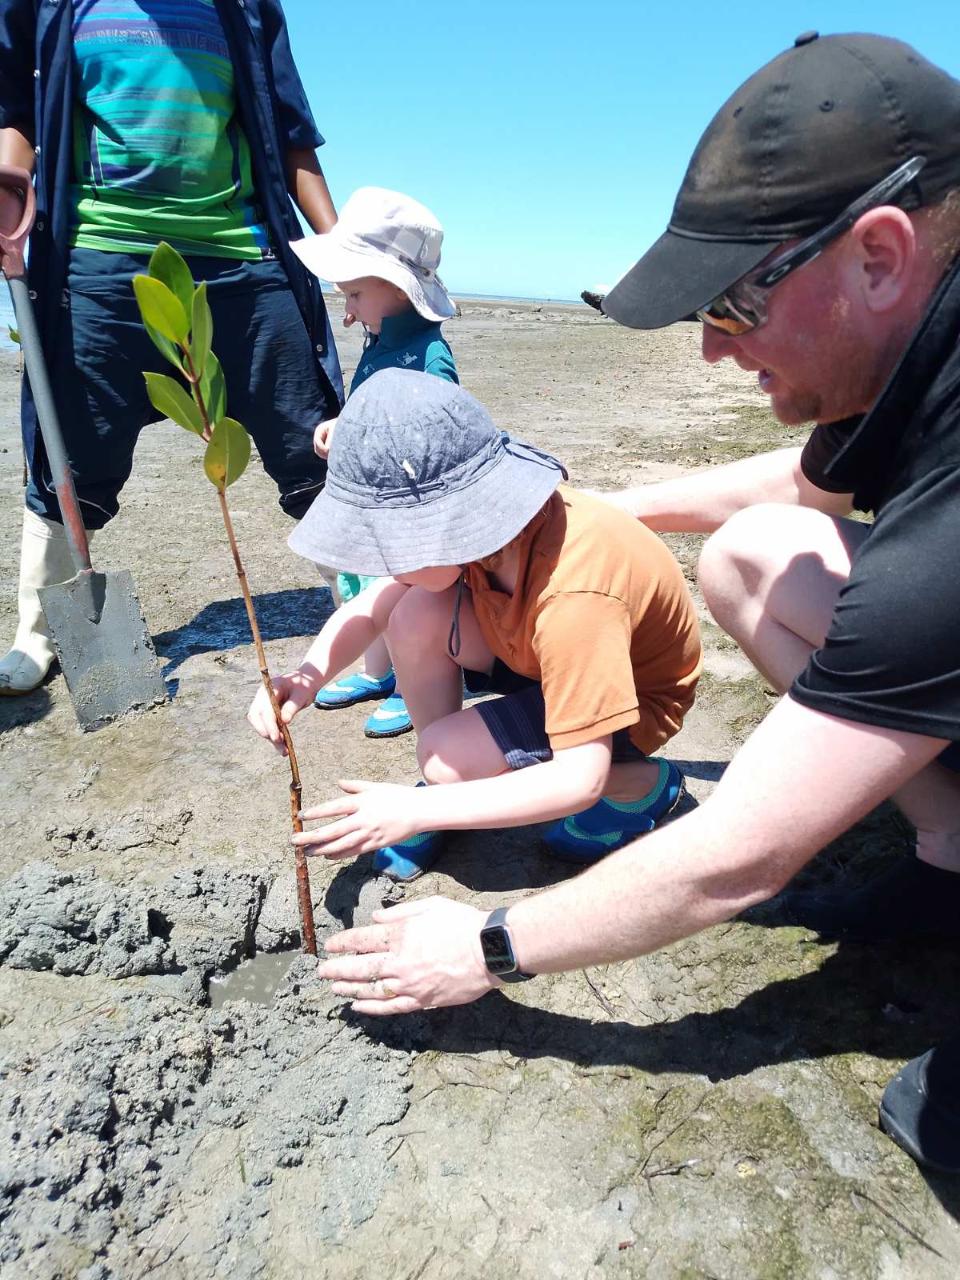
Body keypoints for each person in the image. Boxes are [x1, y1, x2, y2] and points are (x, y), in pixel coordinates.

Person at [310, 33, 960, 1177]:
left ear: (879, 253)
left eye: (736, 301)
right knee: (754, 554)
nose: (710, 351)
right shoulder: (914, 355)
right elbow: (797, 486)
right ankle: (951, 848)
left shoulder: (939, 554)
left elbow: (740, 854)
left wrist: (492, 945)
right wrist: (602, 504)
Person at [0, 0, 343, 695]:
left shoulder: (243, 7)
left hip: (241, 256)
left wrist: (341, 247)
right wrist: (9, 185)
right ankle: (38, 630)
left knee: (310, 436)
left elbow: (288, 127)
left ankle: (363, 603)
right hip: (96, 256)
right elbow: (16, 102)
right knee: (70, 448)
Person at [248, 368, 700, 881]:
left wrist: (416, 811)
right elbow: (371, 609)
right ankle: (455, 785)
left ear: (448, 522)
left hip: (631, 698)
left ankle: (643, 784)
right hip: (539, 654)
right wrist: (304, 679)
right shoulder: (493, 536)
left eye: (391, 544)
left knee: (446, 758)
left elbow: (580, 778)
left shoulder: (574, 592)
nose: (386, 566)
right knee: (413, 611)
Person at [291, 187, 458, 740]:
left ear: (397, 288)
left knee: (400, 594)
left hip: (407, 502)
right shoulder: (377, 337)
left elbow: (434, 429)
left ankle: (416, 688)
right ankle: (376, 672)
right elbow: (367, 404)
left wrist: (357, 431)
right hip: (367, 494)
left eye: (355, 293)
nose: (348, 308)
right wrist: (343, 427)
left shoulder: (429, 354)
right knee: (358, 583)